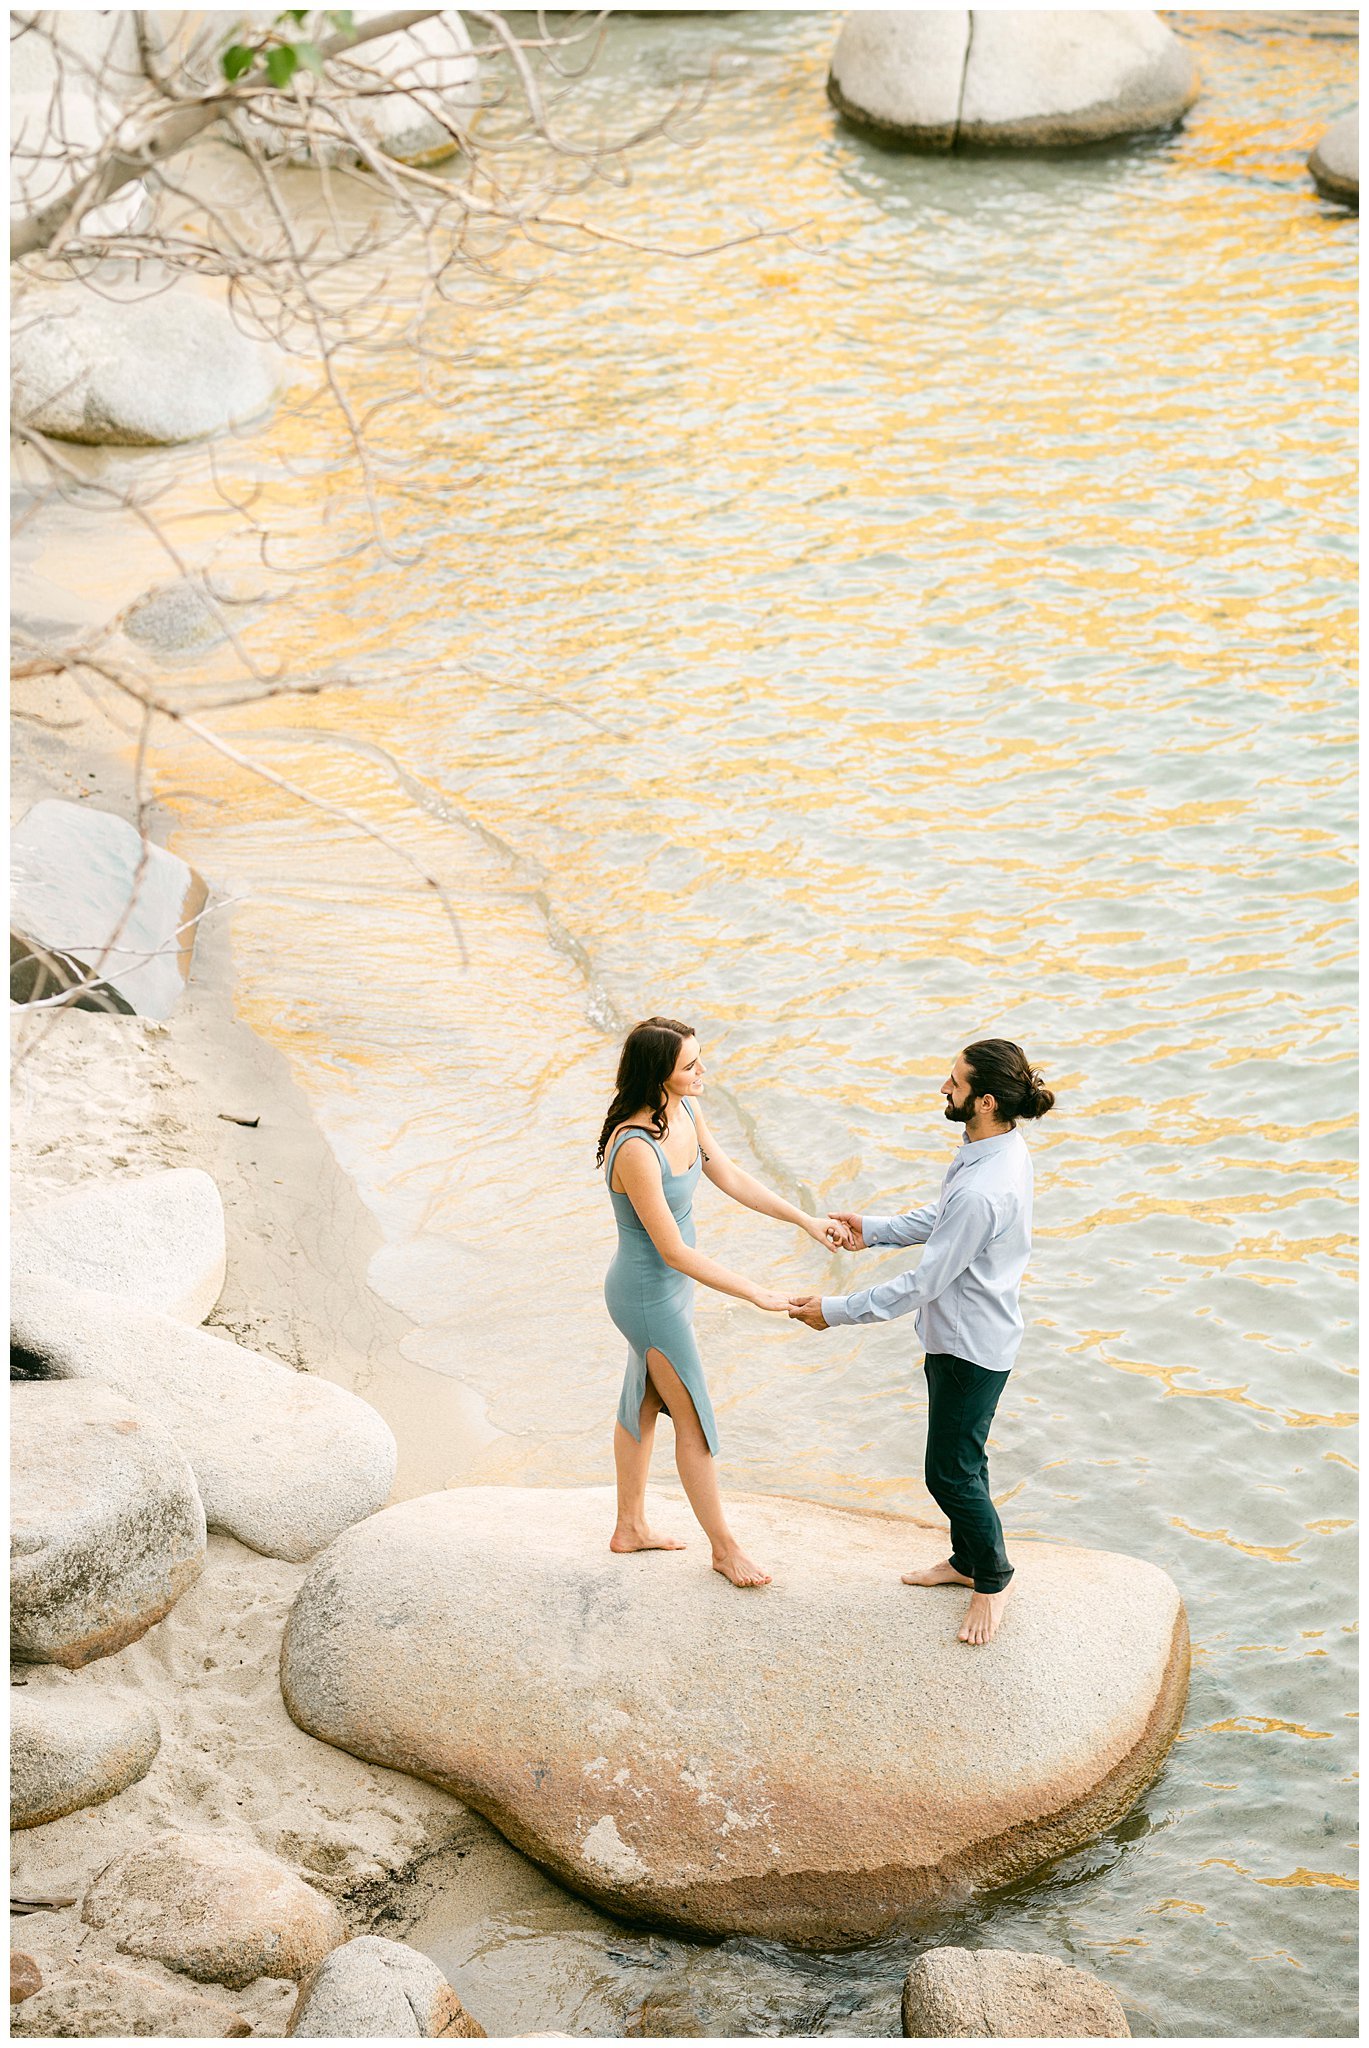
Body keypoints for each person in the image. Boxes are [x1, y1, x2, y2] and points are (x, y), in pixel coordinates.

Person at [790, 1039, 1055, 1646]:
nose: (944, 1088)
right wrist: (874, 1231)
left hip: (969, 1346)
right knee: (965, 1460)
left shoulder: (985, 1186)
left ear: (985, 1100)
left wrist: (834, 1312)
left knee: (949, 1475)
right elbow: (944, 1218)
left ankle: (993, 1577)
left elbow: (923, 1282)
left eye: (955, 1083)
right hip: (968, 1333)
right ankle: (966, 1560)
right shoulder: (997, 1148)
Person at [599, 1014, 843, 1588]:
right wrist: (756, 1292)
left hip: (666, 1291)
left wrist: (805, 1219)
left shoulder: (682, 1108)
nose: (702, 1070)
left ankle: (629, 1526)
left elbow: (727, 1173)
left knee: (641, 1399)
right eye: (690, 1064)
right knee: (695, 1421)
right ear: (659, 1072)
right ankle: (724, 1548)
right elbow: (674, 1251)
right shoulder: (635, 1145)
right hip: (646, 1294)